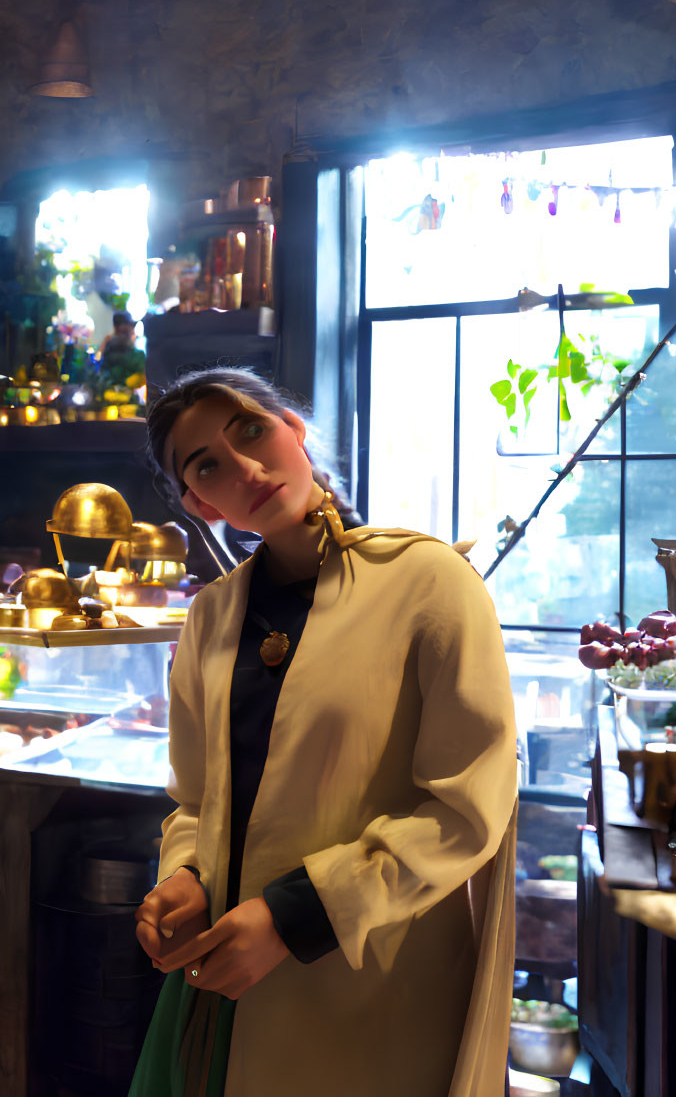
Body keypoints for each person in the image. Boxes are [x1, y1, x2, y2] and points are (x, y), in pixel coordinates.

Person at [130, 367, 518, 1097]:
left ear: (294, 429)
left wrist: (290, 917)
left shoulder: (427, 583)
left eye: (250, 429)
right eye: (206, 464)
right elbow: (195, 799)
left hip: (374, 986)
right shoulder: (211, 616)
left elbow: (467, 810)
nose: (243, 466)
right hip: (230, 989)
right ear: (197, 502)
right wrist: (184, 876)